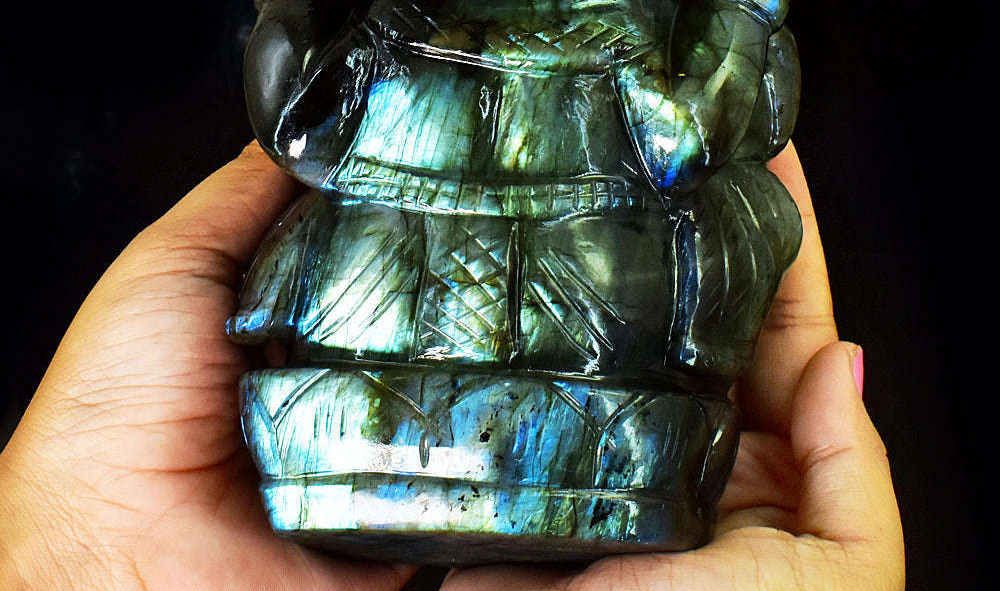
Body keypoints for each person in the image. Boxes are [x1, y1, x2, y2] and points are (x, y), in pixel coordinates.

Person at [0, 142, 904, 590]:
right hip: (385, 274)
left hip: (599, 272)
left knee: (729, 219)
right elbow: (307, 126)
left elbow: (690, 134)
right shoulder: (393, 14)